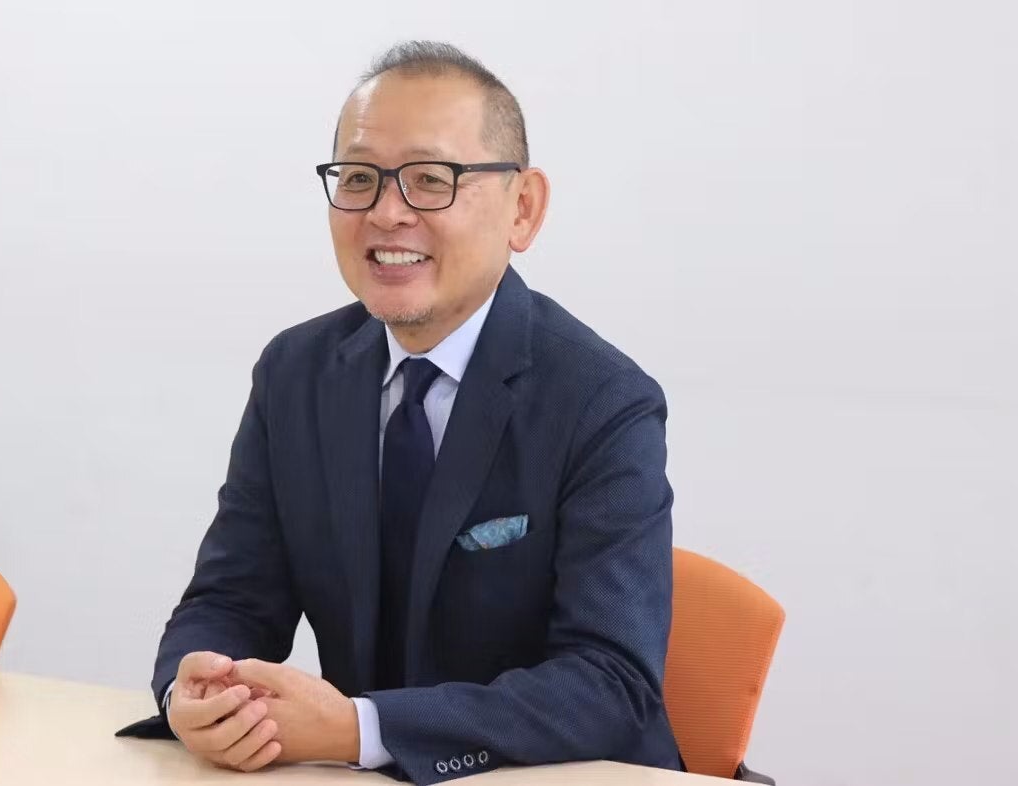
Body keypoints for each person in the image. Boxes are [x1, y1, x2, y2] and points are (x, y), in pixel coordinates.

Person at [117, 40, 683, 784]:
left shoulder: (602, 400)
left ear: (523, 208)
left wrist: (363, 729)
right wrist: (196, 692)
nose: (387, 213)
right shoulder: (296, 373)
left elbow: (611, 684)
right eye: (359, 179)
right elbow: (232, 598)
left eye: (430, 180)